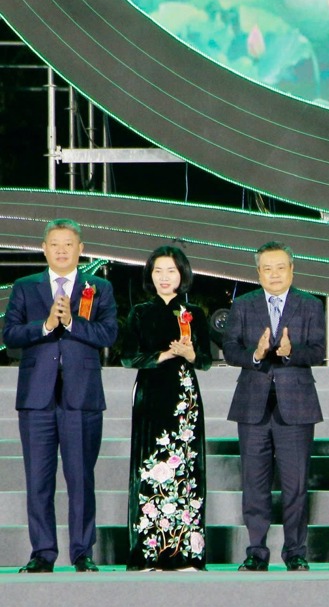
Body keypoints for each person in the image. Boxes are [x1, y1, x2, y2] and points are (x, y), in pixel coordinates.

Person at [2, 219, 118, 573]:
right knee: (38, 479)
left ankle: (82, 552)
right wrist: (47, 327)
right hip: (37, 399)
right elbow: (10, 334)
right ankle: (43, 553)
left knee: (81, 477)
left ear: (81, 249)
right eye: (55, 244)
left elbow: (108, 333)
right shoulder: (25, 287)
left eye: (69, 244)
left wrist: (70, 324)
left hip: (81, 398)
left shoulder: (99, 288)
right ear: (44, 248)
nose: (62, 250)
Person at [222, 241, 326, 572]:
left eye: (280, 267)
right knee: (254, 483)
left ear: (292, 269)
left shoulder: (309, 305)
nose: (274, 274)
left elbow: (318, 350)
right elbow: (230, 349)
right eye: (267, 268)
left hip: (296, 405)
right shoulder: (244, 305)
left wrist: (290, 353)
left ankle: (296, 552)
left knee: (296, 484)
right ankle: (256, 552)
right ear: (258, 272)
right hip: (252, 406)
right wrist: (256, 353)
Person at [121, 246, 212, 571]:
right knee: (150, 466)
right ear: (150, 275)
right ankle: (148, 552)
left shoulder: (194, 314)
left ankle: (186, 552)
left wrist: (188, 355)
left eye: (171, 271)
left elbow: (206, 361)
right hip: (151, 394)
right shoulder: (140, 313)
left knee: (185, 469)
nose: (164, 277)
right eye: (158, 271)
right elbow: (127, 356)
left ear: (182, 275)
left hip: (183, 396)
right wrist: (161, 356)